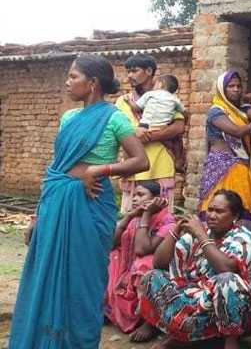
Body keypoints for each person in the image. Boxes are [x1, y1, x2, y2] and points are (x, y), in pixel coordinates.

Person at [9, 55, 149, 348]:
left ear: (93, 83)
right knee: (44, 275)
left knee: (83, 279)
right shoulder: (69, 118)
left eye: (73, 76)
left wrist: (100, 170)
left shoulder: (114, 118)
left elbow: (140, 160)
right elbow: (56, 169)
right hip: (56, 201)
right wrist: (37, 216)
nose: (67, 82)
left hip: (91, 205)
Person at [138, 189, 251, 349]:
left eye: (219, 211)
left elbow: (226, 269)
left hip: (235, 310)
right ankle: (181, 335)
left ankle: (230, 341)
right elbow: (159, 263)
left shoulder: (243, 238)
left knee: (227, 280)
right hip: (196, 301)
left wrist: (201, 235)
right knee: (152, 276)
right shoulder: (200, 233)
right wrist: (175, 231)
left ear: (235, 216)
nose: (212, 215)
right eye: (210, 210)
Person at [104, 180, 175, 342]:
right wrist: (129, 216)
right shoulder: (135, 218)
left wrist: (147, 215)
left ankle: (150, 321)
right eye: (134, 195)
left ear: (157, 199)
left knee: (143, 264)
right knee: (110, 257)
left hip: (156, 272)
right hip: (129, 269)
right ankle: (109, 310)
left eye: (141, 195)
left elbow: (141, 249)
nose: (135, 198)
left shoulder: (168, 222)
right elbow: (110, 244)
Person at [117, 54, 186, 213]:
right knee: (131, 218)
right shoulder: (124, 101)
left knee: (161, 218)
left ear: (149, 71)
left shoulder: (167, 99)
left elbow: (178, 127)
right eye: (128, 71)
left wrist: (149, 137)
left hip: (161, 165)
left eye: (134, 71)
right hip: (134, 167)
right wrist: (136, 135)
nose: (129, 76)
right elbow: (120, 131)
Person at [198, 70, 251, 232]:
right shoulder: (216, 111)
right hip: (221, 167)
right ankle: (209, 242)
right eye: (231, 86)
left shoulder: (241, 110)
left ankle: (239, 243)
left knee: (241, 205)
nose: (236, 89)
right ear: (222, 89)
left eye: (238, 86)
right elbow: (236, 131)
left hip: (240, 167)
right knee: (216, 205)